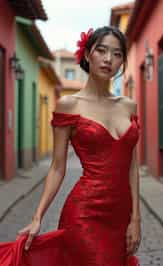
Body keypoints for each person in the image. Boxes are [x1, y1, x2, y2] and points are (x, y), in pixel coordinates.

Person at [0, 26, 141, 266]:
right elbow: (57, 167)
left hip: (121, 216)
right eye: (102, 51)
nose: (109, 59)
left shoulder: (128, 106)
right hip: (84, 214)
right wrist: (37, 217)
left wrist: (136, 219)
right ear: (87, 55)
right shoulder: (69, 105)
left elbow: (132, 165)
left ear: (122, 62)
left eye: (117, 54)